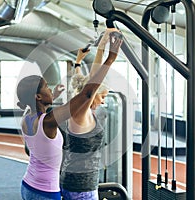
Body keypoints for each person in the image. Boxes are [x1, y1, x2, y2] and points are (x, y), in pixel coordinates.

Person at [17, 29, 122, 200]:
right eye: (46, 88)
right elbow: (87, 92)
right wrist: (110, 59)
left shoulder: (27, 116)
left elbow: (83, 87)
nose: (51, 88)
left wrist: (80, 61)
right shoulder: (50, 121)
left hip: (28, 185)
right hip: (48, 192)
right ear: (37, 97)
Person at [60, 28, 122, 200]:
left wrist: (78, 62)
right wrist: (108, 56)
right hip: (81, 188)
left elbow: (81, 83)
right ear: (93, 93)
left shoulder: (77, 105)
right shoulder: (81, 112)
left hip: (76, 183)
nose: (103, 102)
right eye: (102, 96)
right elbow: (91, 83)